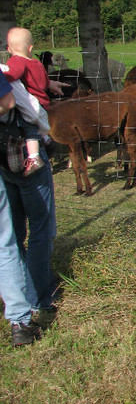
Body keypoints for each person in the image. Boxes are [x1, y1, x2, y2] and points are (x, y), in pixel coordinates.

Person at [0, 69, 59, 346]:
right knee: (40, 227)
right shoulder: (11, 77)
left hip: (4, 162)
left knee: (9, 237)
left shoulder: (18, 67)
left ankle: (21, 308)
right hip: (21, 152)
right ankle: (39, 301)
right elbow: (10, 103)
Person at [3, 27, 53, 176]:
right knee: (37, 126)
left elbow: (12, 75)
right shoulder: (36, 63)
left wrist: (3, 74)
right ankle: (44, 137)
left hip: (32, 103)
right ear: (31, 48)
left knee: (29, 128)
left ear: (8, 48)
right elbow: (45, 82)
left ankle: (33, 158)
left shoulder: (18, 61)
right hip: (43, 100)